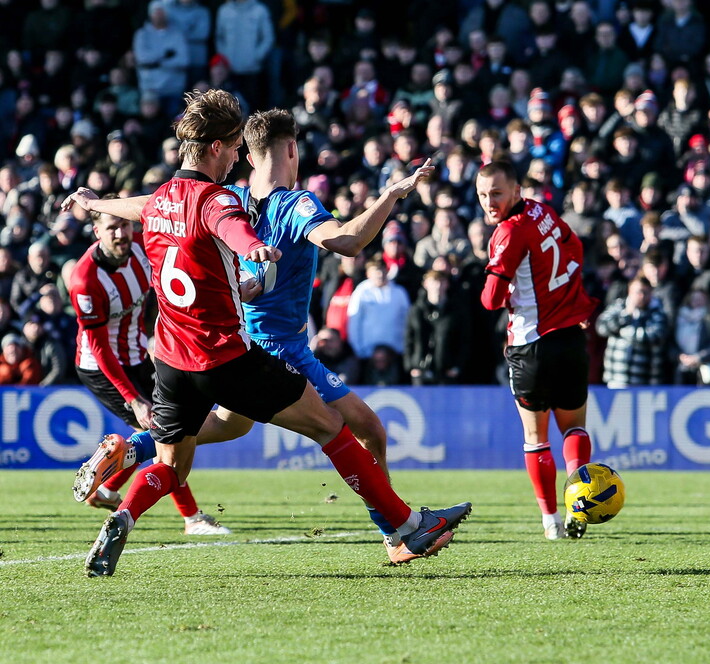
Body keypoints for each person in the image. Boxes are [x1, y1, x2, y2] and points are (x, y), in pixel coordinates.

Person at [62, 89, 470, 577]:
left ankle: (127, 494)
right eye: (231, 148)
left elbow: (143, 205)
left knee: (191, 454)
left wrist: (94, 203)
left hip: (172, 360)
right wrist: (260, 247)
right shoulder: (241, 201)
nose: (236, 157)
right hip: (242, 352)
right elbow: (329, 239)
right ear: (222, 147)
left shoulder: (169, 196)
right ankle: (402, 529)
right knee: (346, 428)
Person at [68, 199, 229, 535]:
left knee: (165, 428)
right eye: (111, 228)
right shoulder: (85, 279)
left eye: (124, 225)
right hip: (102, 366)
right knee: (165, 432)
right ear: (97, 232)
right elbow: (99, 346)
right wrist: (133, 398)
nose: (121, 233)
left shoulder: (143, 248)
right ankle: (192, 518)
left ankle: (108, 490)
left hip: (139, 353)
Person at [476, 161, 596, 540]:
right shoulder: (542, 210)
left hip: (531, 345)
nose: (489, 202)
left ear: (515, 190)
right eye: (482, 195)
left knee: (536, 438)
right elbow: (574, 247)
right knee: (575, 428)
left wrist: (498, 281)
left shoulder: (508, 233)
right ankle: (581, 504)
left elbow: (490, 300)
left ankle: (551, 521)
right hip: (571, 339)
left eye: (496, 193)